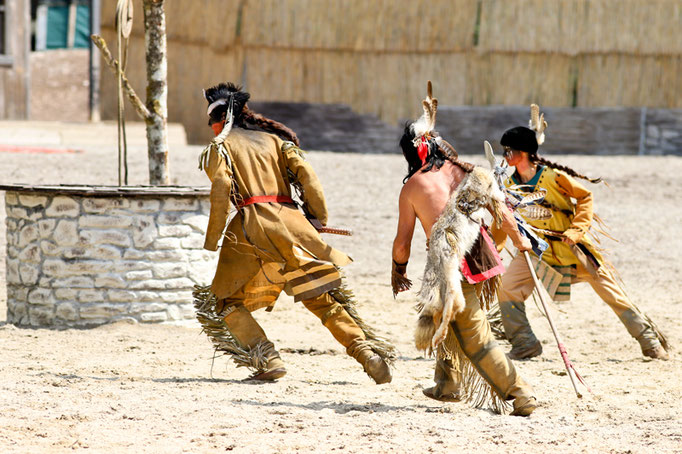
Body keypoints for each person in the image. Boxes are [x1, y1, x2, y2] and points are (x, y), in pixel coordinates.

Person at [194, 82, 395, 383]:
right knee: (320, 297)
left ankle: (267, 359)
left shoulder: (218, 148)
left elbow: (222, 188)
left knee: (224, 301)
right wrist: (315, 218)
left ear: (219, 122)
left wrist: (212, 240)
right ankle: (365, 352)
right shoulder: (274, 142)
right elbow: (308, 177)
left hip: (252, 227)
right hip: (294, 225)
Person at [391, 83, 537, 416]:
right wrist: (519, 241)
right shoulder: (467, 171)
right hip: (482, 253)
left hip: (451, 261)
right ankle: (448, 384)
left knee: (472, 332)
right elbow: (502, 210)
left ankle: (520, 393)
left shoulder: (413, 186)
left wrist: (397, 269)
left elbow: (402, 243)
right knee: (446, 312)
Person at [491, 109, 669, 361]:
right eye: (504, 150)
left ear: (525, 153)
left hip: (570, 246)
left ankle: (649, 342)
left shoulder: (554, 177)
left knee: (611, 292)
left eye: (509, 150)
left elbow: (585, 197)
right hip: (534, 249)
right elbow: (504, 219)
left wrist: (576, 230)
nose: (505, 155)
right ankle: (524, 343)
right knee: (508, 289)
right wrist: (493, 249)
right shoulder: (507, 186)